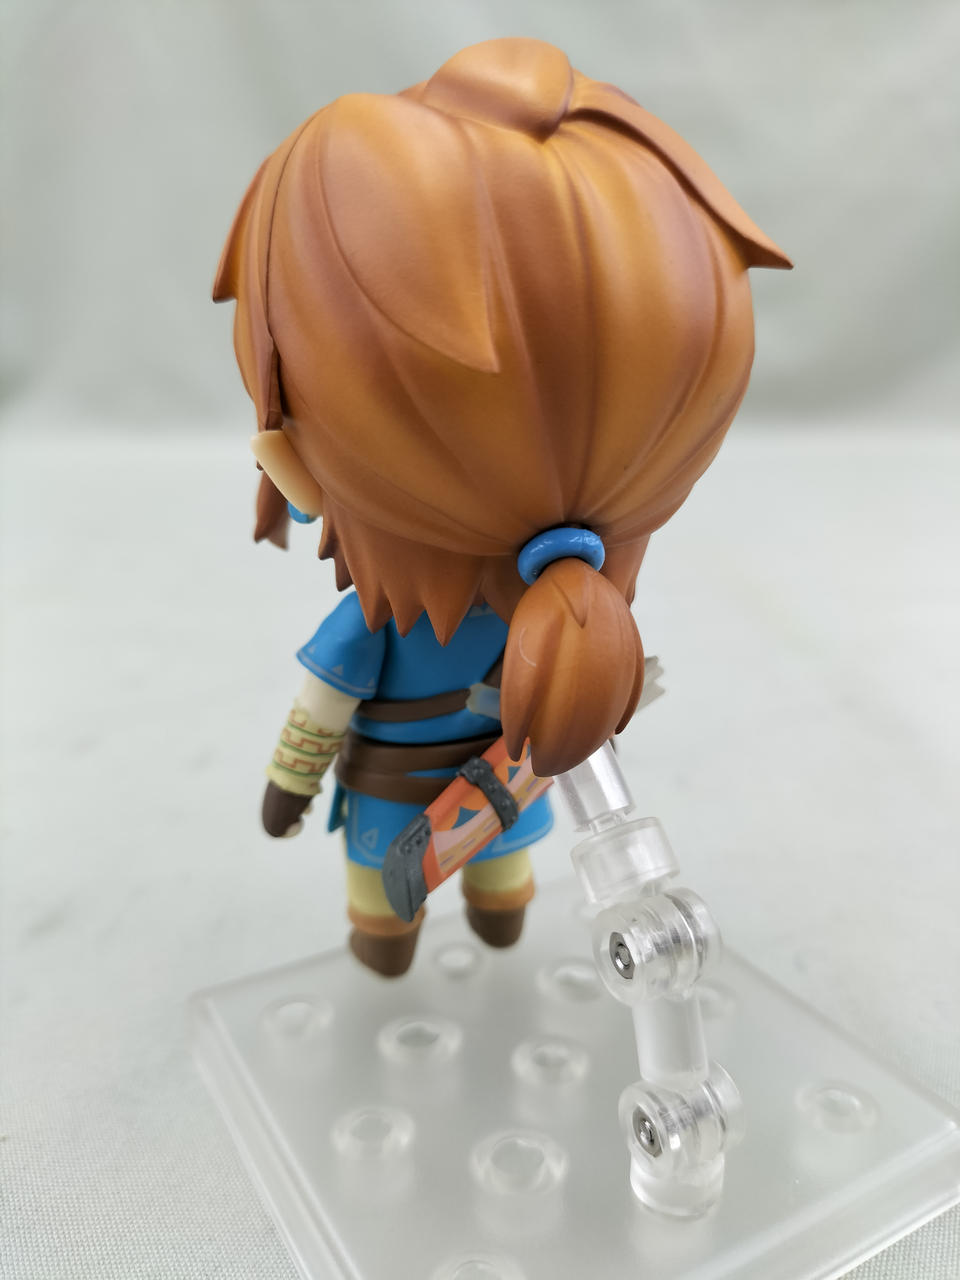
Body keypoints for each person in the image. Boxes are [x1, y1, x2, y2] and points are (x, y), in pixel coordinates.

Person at [213, 37, 790, 976]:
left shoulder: (376, 624)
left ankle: (417, 927)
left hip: (409, 804)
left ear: (292, 466)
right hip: (489, 800)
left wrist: (290, 784)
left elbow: (319, 710)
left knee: (404, 900)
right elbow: (328, 707)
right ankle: (479, 908)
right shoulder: (552, 616)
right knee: (484, 876)